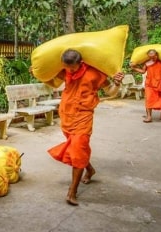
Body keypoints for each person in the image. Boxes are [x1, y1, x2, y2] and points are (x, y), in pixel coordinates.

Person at [47, 49, 124, 206]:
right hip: (66, 115)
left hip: (83, 116)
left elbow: (111, 92)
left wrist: (116, 83)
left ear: (80, 63)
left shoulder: (95, 73)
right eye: (67, 68)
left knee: (78, 149)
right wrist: (40, 75)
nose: (70, 71)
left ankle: (72, 192)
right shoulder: (65, 71)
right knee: (77, 150)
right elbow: (53, 83)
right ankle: (89, 170)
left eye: (73, 68)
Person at [131, 49, 161, 122]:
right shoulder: (147, 63)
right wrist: (134, 68)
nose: (152, 58)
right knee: (148, 99)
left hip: (160, 83)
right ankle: (149, 117)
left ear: (157, 55)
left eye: (154, 56)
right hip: (149, 83)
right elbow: (143, 71)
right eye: (150, 57)